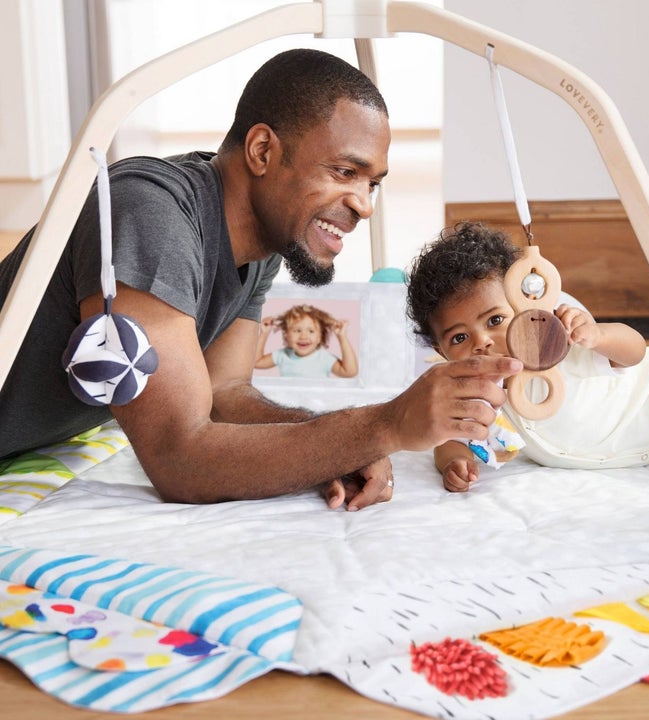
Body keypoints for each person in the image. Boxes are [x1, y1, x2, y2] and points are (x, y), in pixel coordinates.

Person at [0, 50, 522, 510]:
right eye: (344, 172)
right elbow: (178, 457)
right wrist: (385, 424)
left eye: (372, 184)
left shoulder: (262, 245)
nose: (363, 205)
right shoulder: (149, 212)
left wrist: (338, 446)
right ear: (263, 151)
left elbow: (224, 393)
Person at [405, 221, 649, 492]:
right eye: (459, 338)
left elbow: (636, 352)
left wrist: (598, 336)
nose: (482, 341)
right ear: (440, 350)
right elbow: (449, 440)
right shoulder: (473, 393)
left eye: (495, 321)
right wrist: (454, 463)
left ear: (523, 306)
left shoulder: (554, 341)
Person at [255, 304, 358, 379]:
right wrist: (264, 334)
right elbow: (256, 362)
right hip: (289, 406)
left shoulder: (324, 358)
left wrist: (342, 337)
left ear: (320, 337)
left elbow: (350, 371)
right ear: (286, 335)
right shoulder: (283, 355)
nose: (303, 336)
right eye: (297, 330)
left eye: (311, 331)